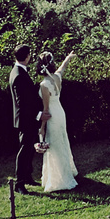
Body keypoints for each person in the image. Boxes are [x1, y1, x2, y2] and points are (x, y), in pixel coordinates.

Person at [39, 49, 79, 192]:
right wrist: (68, 57)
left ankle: (59, 178)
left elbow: (46, 109)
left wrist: (42, 127)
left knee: (54, 144)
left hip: (53, 115)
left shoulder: (44, 85)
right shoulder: (57, 77)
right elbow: (63, 67)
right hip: (61, 113)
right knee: (62, 141)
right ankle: (66, 171)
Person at [8, 44, 43, 194]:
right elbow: (23, 102)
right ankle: (19, 182)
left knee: (29, 148)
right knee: (24, 149)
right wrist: (37, 115)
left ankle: (27, 176)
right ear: (27, 56)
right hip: (26, 119)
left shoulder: (18, 71)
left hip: (27, 118)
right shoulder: (18, 75)